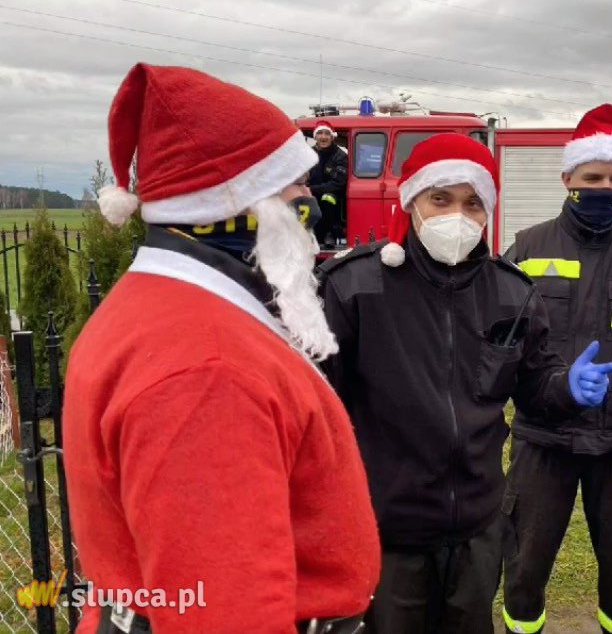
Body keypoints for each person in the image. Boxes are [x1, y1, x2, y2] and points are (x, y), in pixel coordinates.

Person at [63, 63, 379, 633]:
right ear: (236, 202)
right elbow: (224, 610)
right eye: (294, 184)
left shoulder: (168, 308)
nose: (309, 203)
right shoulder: (209, 370)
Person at [317, 132, 612, 634]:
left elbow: (535, 385)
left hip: (478, 528)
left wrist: (566, 387)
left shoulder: (511, 292)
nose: (457, 215)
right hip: (388, 530)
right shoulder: (354, 287)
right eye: (441, 199)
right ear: (412, 201)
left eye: (472, 203)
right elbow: (318, 408)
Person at [501, 104, 612, 634]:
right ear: (567, 179)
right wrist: (557, 385)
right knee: (524, 566)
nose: (605, 188)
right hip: (543, 435)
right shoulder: (527, 246)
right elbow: (507, 341)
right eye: (593, 178)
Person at [308, 122, 349, 247]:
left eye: (327, 134)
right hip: (311, 194)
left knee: (327, 198)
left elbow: (337, 184)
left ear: (332, 137)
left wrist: (310, 189)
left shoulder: (340, 156)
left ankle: (329, 233)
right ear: (315, 137)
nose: (323, 137)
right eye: (320, 133)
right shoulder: (308, 155)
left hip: (333, 195)